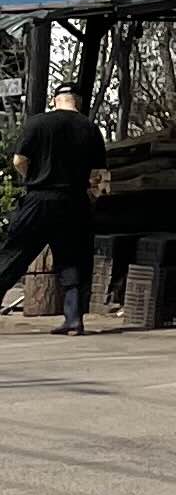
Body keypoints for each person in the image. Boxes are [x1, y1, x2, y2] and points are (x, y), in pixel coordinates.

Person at [1, 81, 107, 335]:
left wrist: (33, 177)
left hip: (39, 198)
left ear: (54, 100)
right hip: (73, 200)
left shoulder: (38, 123)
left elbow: (19, 160)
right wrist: (93, 197)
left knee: (13, 254)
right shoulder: (90, 128)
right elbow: (99, 174)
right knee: (73, 259)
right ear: (78, 101)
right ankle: (73, 319)